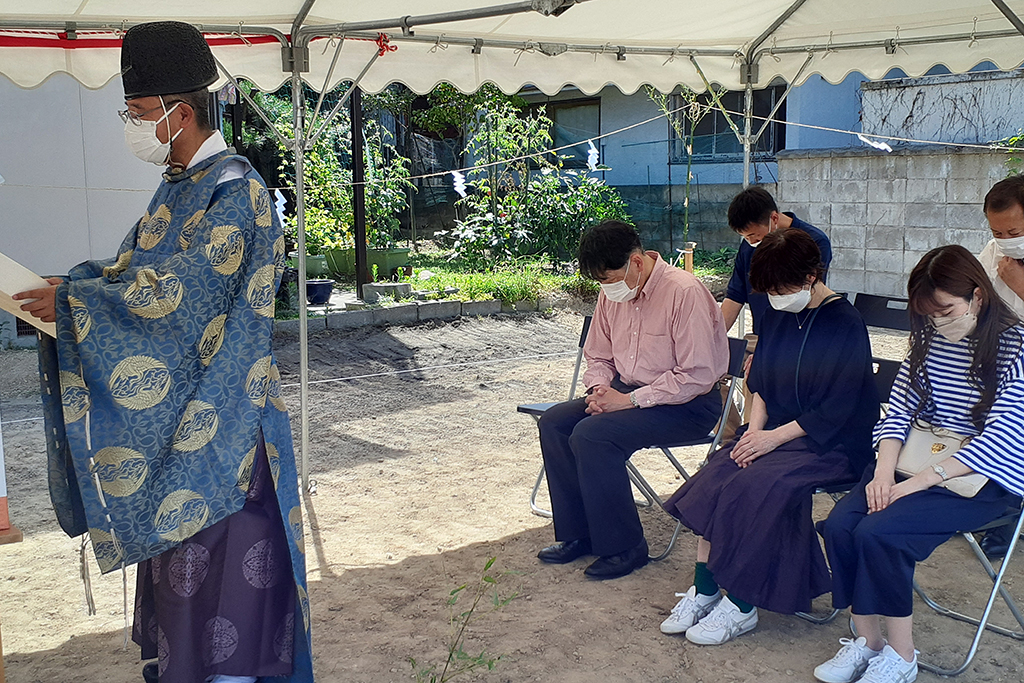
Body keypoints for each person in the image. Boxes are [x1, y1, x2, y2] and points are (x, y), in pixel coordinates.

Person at [14, 22, 312, 683]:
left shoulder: (237, 192)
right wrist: (71, 289)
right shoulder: (179, 186)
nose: (133, 124)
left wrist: (74, 303)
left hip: (229, 435)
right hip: (176, 437)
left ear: (180, 113)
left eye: (139, 113)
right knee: (184, 595)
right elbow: (132, 272)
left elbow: (184, 294)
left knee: (229, 606)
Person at [815, 245, 1024, 683]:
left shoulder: (1015, 346)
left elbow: (1004, 433)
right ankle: (869, 641)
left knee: (879, 533)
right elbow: (899, 408)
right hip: (914, 460)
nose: (938, 321)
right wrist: (882, 472)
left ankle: (902, 655)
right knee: (839, 526)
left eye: (946, 309)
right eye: (929, 313)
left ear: (978, 296)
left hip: (983, 477)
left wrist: (913, 485)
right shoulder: (928, 336)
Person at [659, 229, 878, 645]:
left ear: (812, 275)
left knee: (758, 484)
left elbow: (838, 408)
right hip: (774, 430)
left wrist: (772, 440)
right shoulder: (778, 312)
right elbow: (758, 383)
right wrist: (753, 432)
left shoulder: (844, 322)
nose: (775, 297)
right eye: (769, 291)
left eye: (781, 289)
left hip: (830, 442)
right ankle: (705, 589)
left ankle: (742, 605)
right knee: (721, 471)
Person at [535, 220, 728, 580]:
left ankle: (625, 547)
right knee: (556, 422)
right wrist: (597, 391)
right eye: (600, 282)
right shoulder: (613, 291)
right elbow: (599, 355)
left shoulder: (684, 292)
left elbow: (697, 375)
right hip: (628, 393)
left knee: (592, 435)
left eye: (609, 279)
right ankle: (581, 534)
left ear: (637, 262)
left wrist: (630, 400)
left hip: (688, 405)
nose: (606, 288)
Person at [976, 176, 1024, 559]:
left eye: (1014, 231)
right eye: (997, 230)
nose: (1005, 238)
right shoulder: (994, 251)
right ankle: (1001, 518)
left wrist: (1019, 285)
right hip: (999, 359)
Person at [721, 186, 833, 334]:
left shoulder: (815, 241)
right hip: (762, 335)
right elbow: (735, 295)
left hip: (798, 334)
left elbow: (811, 293)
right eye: (746, 237)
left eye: (754, 235)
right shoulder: (748, 247)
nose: (752, 241)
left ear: (774, 218)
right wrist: (714, 337)